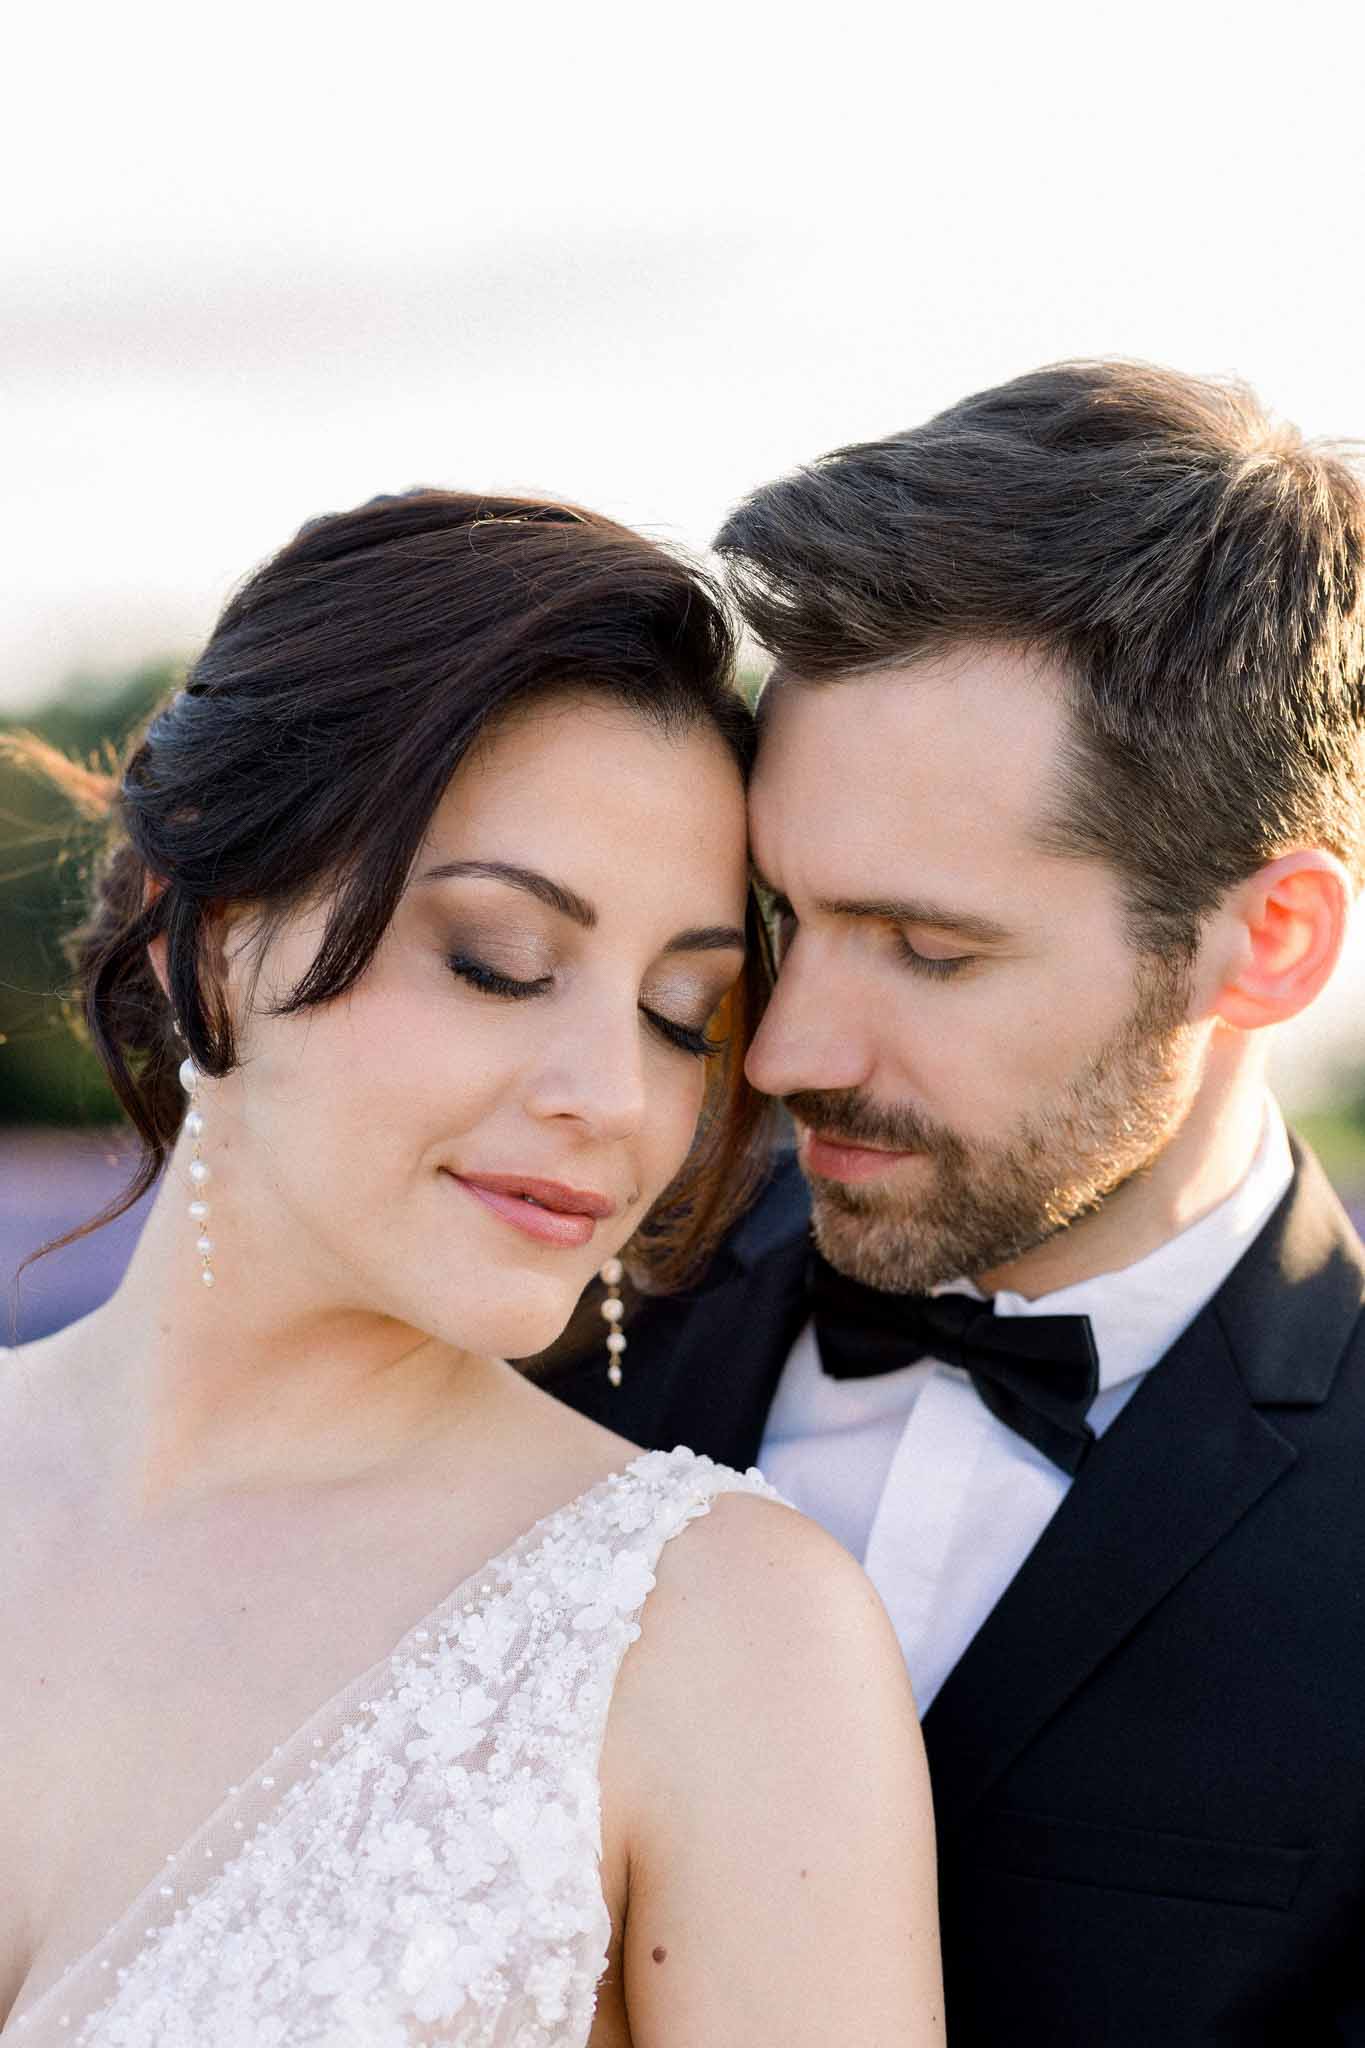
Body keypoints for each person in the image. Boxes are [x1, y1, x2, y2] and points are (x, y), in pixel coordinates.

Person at [0, 492, 943, 2046]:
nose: (615, 1096)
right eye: (499, 961)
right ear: (205, 933)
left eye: (678, 1012)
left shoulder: (723, 1640)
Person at [544, 363, 1365, 2044]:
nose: (778, 1052)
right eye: (783, 918)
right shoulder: (555, 1309)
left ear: (1265, 943)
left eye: (928, 949)